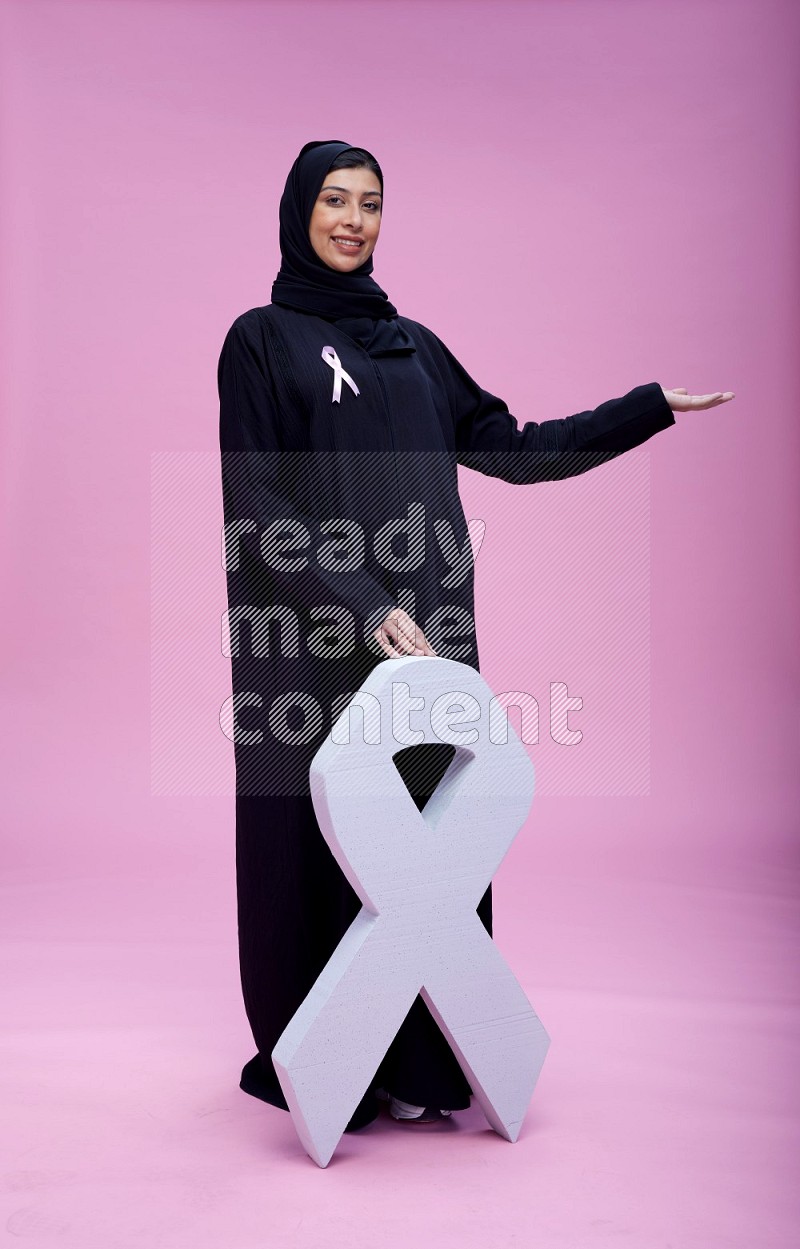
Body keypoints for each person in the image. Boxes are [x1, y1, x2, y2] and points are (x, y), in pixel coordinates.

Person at [217, 139, 734, 1131]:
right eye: (334, 199)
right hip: (316, 644)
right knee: (320, 847)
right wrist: (363, 603)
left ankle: (419, 1059)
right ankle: (330, 1068)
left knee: (429, 847)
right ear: (298, 209)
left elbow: (515, 447)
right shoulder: (262, 341)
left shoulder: (412, 346)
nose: (353, 220)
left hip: (426, 644)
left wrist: (645, 410)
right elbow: (259, 504)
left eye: (371, 203)